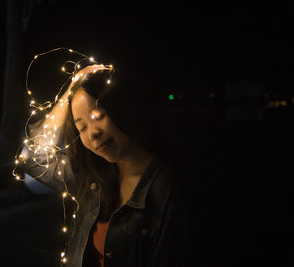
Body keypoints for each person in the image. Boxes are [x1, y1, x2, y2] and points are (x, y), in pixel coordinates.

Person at [18, 63, 203, 267]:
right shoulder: (90, 177)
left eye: (98, 116)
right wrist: (71, 90)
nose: (92, 133)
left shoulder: (165, 187)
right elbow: (33, 157)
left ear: (121, 110)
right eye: (81, 127)